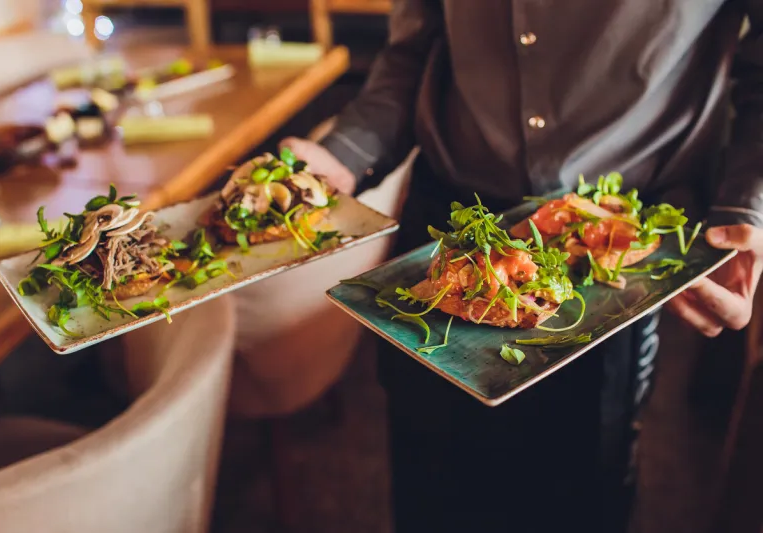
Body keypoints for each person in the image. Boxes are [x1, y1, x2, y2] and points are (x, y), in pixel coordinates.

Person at [282, 2, 763, 531]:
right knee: (430, 483)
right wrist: (344, 155)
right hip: (448, 228)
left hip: (611, 251)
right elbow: (413, 53)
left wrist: (743, 211)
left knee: (577, 494)